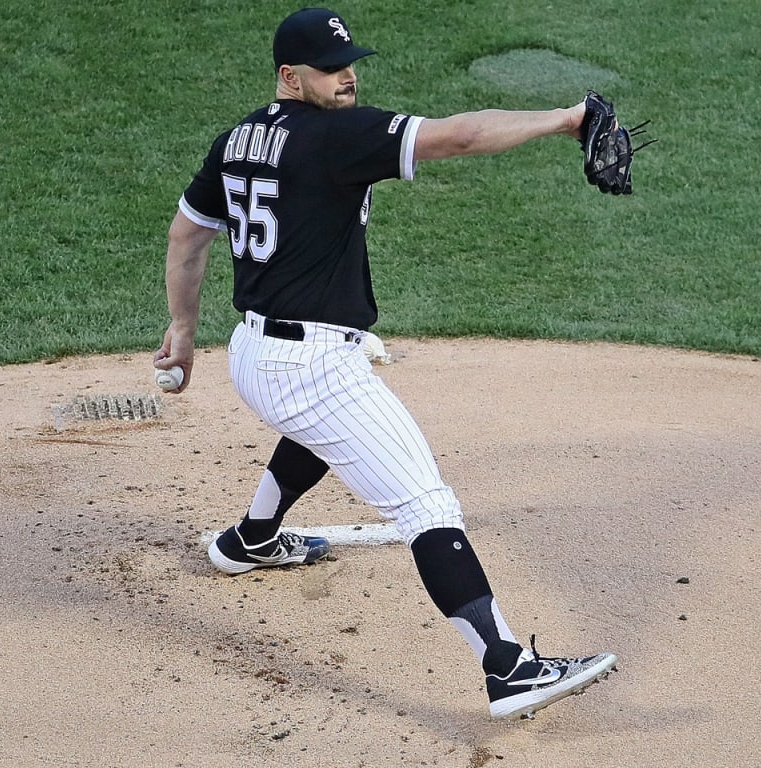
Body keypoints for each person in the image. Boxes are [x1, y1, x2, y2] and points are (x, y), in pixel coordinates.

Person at [153, 7, 616, 720]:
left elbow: (188, 236)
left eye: (350, 63)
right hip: (308, 366)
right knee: (427, 505)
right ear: (290, 76)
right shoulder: (337, 136)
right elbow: (460, 135)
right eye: (332, 69)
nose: (349, 77)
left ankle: (250, 540)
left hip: (252, 354)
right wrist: (568, 118)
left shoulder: (239, 137)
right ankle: (506, 668)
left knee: (318, 429)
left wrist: (183, 331)